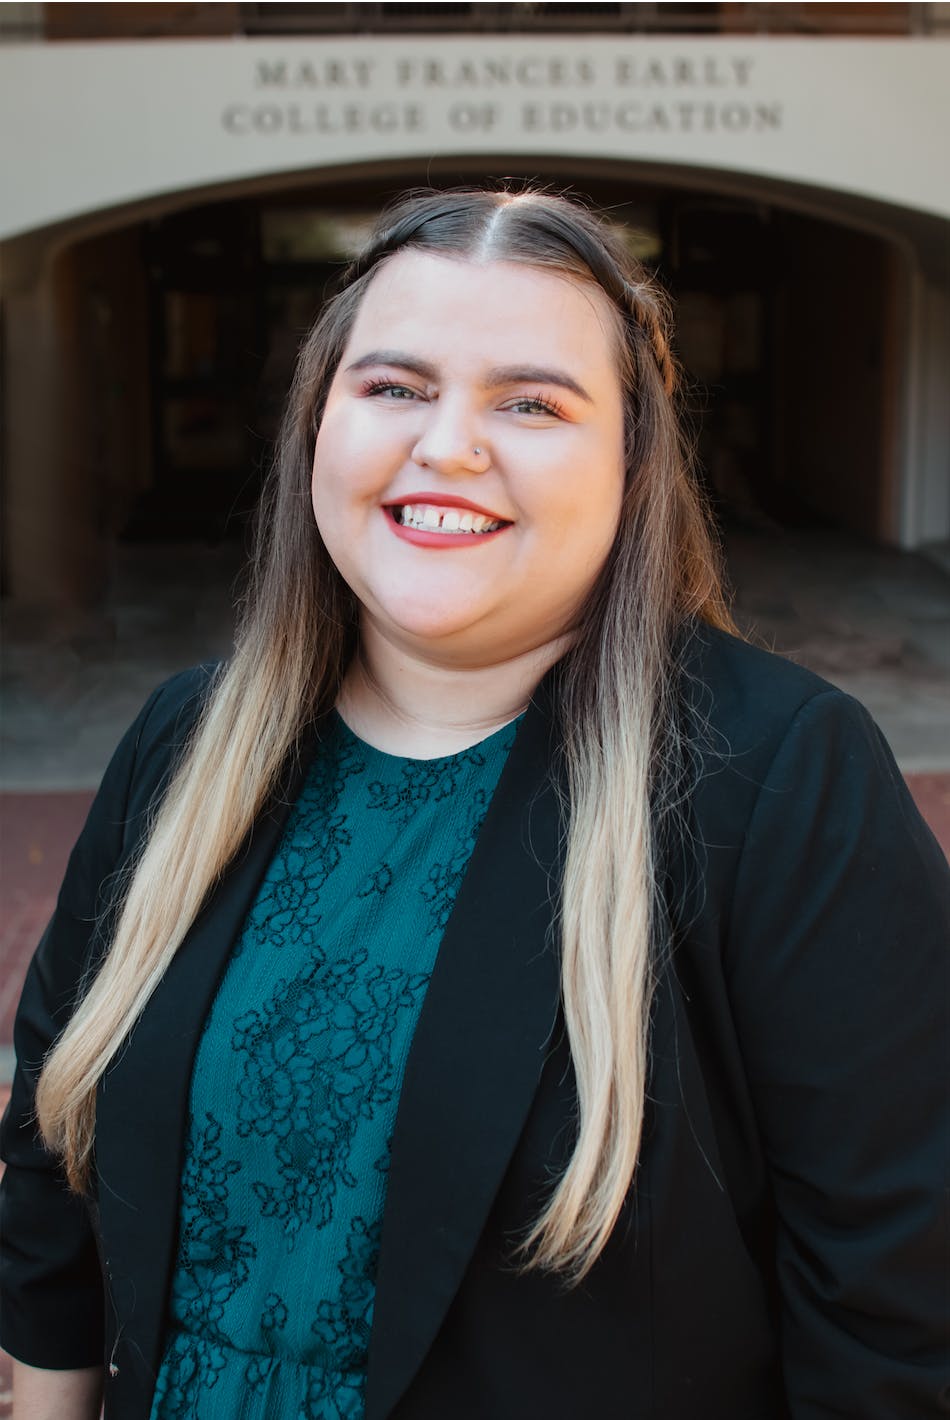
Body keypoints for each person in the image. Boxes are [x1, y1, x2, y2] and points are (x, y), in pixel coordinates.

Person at [1, 188, 947, 1420]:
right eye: (394, 386)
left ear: (633, 463)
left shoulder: (777, 778)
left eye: (530, 402)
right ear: (317, 426)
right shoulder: (186, 741)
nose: (446, 446)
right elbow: (53, 1149)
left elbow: (894, 1301)